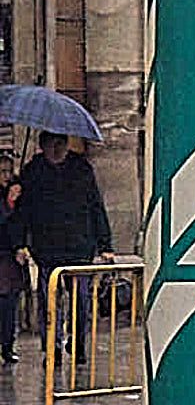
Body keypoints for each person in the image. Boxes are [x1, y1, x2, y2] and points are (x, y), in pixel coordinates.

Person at [13, 131, 115, 354]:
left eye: (62, 143)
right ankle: (52, 347)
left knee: (81, 301)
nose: (58, 149)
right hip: (46, 247)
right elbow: (23, 211)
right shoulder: (33, 171)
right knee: (49, 301)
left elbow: (96, 205)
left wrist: (105, 245)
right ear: (43, 146)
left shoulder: (81, 169)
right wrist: (20, 242)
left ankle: (77, 343)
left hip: (79, 245)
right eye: (53, 144)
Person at [0, 156, 21, 364]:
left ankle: (7, 345)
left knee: (10, 302)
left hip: (10, 255)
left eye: (9, 171)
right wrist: (8, 203)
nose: (6, 176)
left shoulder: (15, 189)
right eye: (2, 172)